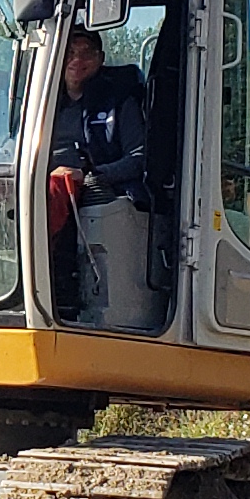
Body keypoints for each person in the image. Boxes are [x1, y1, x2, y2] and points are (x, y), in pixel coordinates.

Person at [47, 22, 156, 317]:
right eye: (69, 52)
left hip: (84, 185)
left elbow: (140, 156)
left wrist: (92, 175)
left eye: (86, 53)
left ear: (101, 59)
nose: (77, 60)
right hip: (36, 178)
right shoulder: (40, 102)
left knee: (51, 190)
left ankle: (50, 288)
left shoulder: (119, 102)